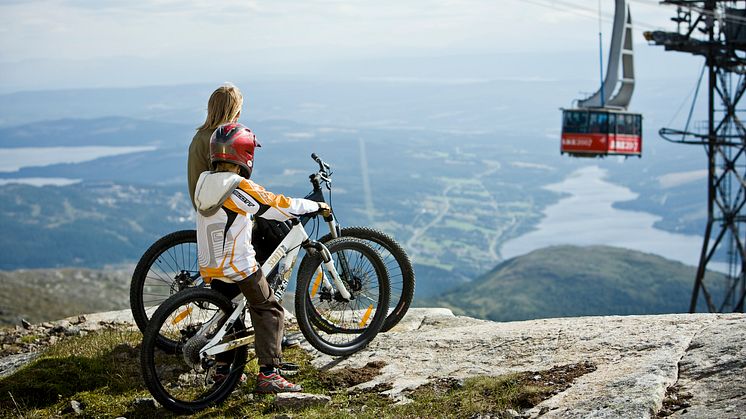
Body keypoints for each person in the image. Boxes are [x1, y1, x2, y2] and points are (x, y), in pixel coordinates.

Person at [194, 122, 330, 393]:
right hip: (238, 265)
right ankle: (269, 373)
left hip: (211, 265)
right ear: (245, 155)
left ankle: (224, 372)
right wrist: (315, 205)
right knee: (269, 310)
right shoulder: (236, 185)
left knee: (229, 313)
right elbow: (275, 205)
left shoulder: (205, 181)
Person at [188, 83, 300, 349]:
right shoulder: (223, 137)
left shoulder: (200, 136)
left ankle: (244, 314)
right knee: (275, 245)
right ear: (234, 110)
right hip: (225, 209)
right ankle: (266, 317)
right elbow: (231, 181)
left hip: (206, 206)